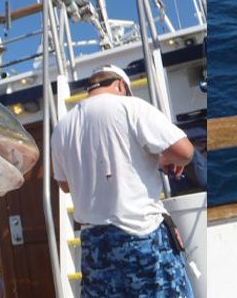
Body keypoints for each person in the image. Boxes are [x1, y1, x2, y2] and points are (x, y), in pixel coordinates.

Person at [50, 65, 197, 298]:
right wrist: (161, 158)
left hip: (95, 246)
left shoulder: (62, 128)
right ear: (121, 85)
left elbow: (65, 185)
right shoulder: (131, 106)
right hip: (140, 234)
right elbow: (185, 151)